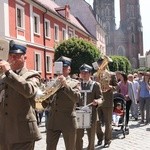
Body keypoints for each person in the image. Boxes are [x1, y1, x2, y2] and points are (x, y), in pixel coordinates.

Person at [0, 40, 41, 150]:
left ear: (25, 58)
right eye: (10, 56)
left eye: (16, 56)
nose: (12, 59)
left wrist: (9, 73)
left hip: (23, 133)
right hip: (4, 133)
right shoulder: (3, 77)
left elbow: (29, 91)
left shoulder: (32, 75)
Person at [42, 56, 81, 150]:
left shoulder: (75, 83)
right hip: (53, 120)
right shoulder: (52, 82)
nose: (62, 70)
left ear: (69, 69)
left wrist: (65, 85)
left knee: (70, 147)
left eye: (64, 67)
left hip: (68, 121)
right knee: (50, 147)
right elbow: (44, 102)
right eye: (60, 67)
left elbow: (77, 98)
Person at [76, 63, 103, 150]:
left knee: (91, 136)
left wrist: (97, 101)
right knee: (78, 136)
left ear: (90, 74)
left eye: (86, 72)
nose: (83, 74)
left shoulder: (95, 85)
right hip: (79, 113)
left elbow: (101, 98)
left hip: (92, 113)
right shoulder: (77, 84)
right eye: (82, 72)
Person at [95, 57, 118, 148]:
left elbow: (117, 87)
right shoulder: (96, 75)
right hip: (97, 101)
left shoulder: (112, 74)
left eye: (102, 63)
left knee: (108, 123)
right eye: (99, 64)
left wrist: (110, 87)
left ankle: (107, 140)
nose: (100, 65)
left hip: (108, 101)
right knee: (96, 122)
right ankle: (100, 137)